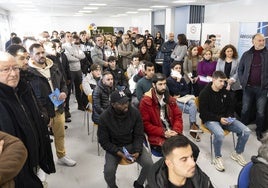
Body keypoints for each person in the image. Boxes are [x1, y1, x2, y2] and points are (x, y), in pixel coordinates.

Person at [0, 52, 55, 187]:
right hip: (17, 174)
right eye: (6, 69)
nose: (13, 74)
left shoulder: (23, 88)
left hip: (35, 160)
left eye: (15, 68)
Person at [28, 43, 77, 167]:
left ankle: (61, 156)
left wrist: (64, 93)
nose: (41, 55)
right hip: (42, 111)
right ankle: (42, 164)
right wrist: (43, 113)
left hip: (58, 107)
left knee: (60, 134)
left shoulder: (53, 66)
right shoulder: (29, 72)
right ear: (31, 56)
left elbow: (63, 83)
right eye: (37, 53)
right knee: (41, 139)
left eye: (42, 52)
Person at [98, 90, 153, 188]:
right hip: (115, 148)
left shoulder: (135, 113)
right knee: (108, 171)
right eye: (122, 103)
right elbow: (104, 142)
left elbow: (139, 134)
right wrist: (120, 153)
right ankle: (113, 186)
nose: (126, 105)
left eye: (126, 101)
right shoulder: (104, 118)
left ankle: (139, 183)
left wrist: (137, 150)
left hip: (132, 144)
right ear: (113, 104)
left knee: (149, 164)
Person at [199, 71, 251, 172]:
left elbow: (230, 107)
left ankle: (237, 153)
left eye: (224, 81)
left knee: (246, 131)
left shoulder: (224, 91)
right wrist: (219, 119)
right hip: (210, 120)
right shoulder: (204, 93)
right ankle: (217, 157)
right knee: (220, 134)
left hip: (225, 119)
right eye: (221, 81)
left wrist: (229, 117)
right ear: (213, 80)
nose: (223, 84)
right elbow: (203, 114)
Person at [139, 73, 200, 157]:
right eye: (160, 84)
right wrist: (163, 132)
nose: (163, 87)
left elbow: (178, 117)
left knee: (195, 150)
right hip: (158, 137)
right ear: (153, 85)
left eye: (164, 84)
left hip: (173, 133)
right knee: (177, 155)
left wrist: (176, 130)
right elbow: (146, 125)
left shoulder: (169, 99)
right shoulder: (146, 102)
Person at [147, 135, 214, 188]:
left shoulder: (202, 180)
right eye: (184, 159)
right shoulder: (154, 184)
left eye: (191, 156)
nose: (193, 163)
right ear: (169, 163)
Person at [238, 33, 268, 141]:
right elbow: (240, 69)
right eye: (259, 40)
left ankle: (259, 131)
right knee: (245, 110)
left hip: (262, 89)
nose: (262, 42)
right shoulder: (246, 54)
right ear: (253, 41)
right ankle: (241, 129)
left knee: (261, 112)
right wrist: (242, 81)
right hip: (248, 88)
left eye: (263, 40)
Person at [167, 62, 201, 141]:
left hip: (185, 98)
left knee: (193, 103)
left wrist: (179, 93)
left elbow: (186, 91)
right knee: (193, 109)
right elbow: (174, 91)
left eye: (179, 68)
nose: (178, 70)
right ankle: (193, 126)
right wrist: (178, 82)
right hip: (174, 100)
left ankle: (192, 126)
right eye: (176, 68)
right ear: (172, 70)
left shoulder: (182, 79)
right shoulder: (169, 80)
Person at [216, 44, 242, 117]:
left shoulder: (237, 60)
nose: (230, 53)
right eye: (228, 51)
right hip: (222, 83)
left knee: (232, 101)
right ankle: (222, 116)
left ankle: (230, 116)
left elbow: (238, 71)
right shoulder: (220, 60)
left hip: (233, 84)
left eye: (231, 51)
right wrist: (226, 80)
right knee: (222, 100)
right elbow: (217, 71)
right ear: (224, 52)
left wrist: (232, 80)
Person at [62, 31, 85, 111]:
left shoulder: (76, 46)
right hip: (70, 71)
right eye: (68, 36)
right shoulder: (63, 46)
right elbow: (68, 58)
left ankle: (80, 105)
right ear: (64, 38)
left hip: (78, 70)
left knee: (79, 89)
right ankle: (67, 109)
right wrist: (77, 58)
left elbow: (83, 56)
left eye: (71, 36)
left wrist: (75, 55)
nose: (70, 38)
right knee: (68, 91)